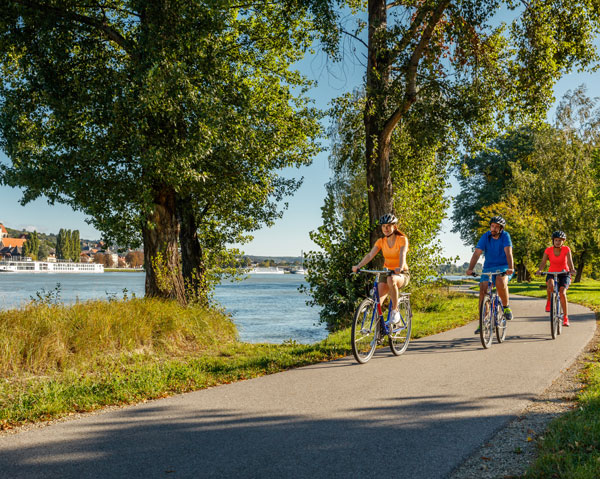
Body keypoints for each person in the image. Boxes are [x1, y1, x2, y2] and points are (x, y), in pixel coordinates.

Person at [352, 213, 409, 324]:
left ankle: (395, 311)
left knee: (391, 280)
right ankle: (380, 331)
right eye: (383, 226)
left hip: (401, 274)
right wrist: (358, 266)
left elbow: (402, 254)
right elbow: (369, 255)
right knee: (377, 302)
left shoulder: (402, 240)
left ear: (395, 227)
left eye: (388, 225)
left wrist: (400, 267)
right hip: (386, 272)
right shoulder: (381, 242)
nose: (386, 228)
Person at [466, 215, 515, 333]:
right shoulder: (485, 236)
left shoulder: (505, 236)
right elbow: (477, 253)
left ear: (501, 228)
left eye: (496, 227)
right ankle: (482, 322)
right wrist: (470, 268)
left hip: (503, 266)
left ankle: (506, 307)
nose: (493, 229)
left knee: (500, 281)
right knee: (483, 290)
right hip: (488, 267)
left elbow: (508, 253)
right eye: (492, 226)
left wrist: (510, 268)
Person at [535, 230, 576, 326]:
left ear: (563, 241)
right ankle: (549, 301)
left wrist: (572, 269)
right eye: (556, 240)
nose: (557, 242)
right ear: (553, 240)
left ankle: (565, 317)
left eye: (560, 240)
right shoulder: (548, 250)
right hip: (552, 272)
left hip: (564, 273)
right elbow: (543, 262)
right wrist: (540, 270)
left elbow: (570, 261)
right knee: (551, 285)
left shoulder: (566, 249)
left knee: (562, 292)